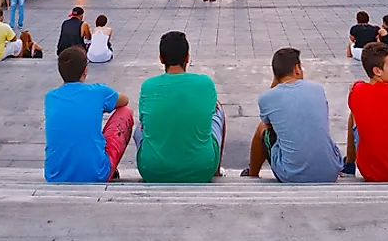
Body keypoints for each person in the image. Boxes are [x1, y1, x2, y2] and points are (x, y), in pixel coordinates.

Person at [135, 31, 225, 183]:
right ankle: (215, 170)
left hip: (152, 171)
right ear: (187, 58)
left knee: (139, 128)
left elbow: (144, 125)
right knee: (218, 110)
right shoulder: (205, 83)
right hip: (202, 170)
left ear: (161, 58)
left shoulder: (148, 86)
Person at [242, 47, 342, 182]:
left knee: (262, 128)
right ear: (297, 69)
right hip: (331, 172)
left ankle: (252, 174)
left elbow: (268, 123)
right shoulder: (317, 89)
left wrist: (275, 84)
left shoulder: (267, 97)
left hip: (292, 176)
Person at [44, 45, 134, 183]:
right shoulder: (98, 91)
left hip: (55, 175)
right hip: (96, 174)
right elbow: (124, 101)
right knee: (125, 112)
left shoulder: (50, 97)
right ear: (85, 70)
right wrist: (100, 107)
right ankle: (108, 166)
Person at [341, 42, 388, 182]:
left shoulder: (357, 91)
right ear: (377, 71)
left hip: (369, 172)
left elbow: (359, 87)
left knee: (354, 114)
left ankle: (349, 165)